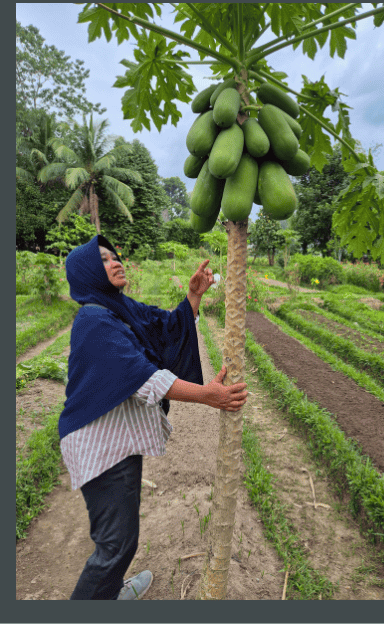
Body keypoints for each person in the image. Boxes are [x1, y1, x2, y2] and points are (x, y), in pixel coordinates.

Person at [60, 235, 248, 600]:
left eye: (115, 256)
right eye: (103, 260)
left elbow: (161, 327)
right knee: (115, 546)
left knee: (122, 537)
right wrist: (208, 395)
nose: (115, 262)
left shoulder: (118, 308)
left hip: (116, 440)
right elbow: (141, 377)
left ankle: (111, 593)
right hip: (99, 447)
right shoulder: (94, 320)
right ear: (86, 272)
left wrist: (193, 298)